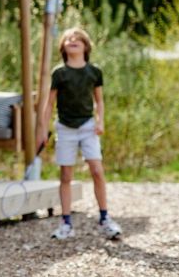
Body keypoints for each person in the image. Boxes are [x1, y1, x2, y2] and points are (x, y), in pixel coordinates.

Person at [38, 27, 122, 240]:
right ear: (63, 47)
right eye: (68, 39)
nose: (73, 40)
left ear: (85, 46)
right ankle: (66, 223)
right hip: (65, 128)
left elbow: (99, 100)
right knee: (66, 174)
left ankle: (104, 218)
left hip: (87, 127)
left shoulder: (94, 72)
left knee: (96, 170)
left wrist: (100, 120)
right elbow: (49, 104)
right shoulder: (60, 73)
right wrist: (43, 129)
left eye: (77, 38)